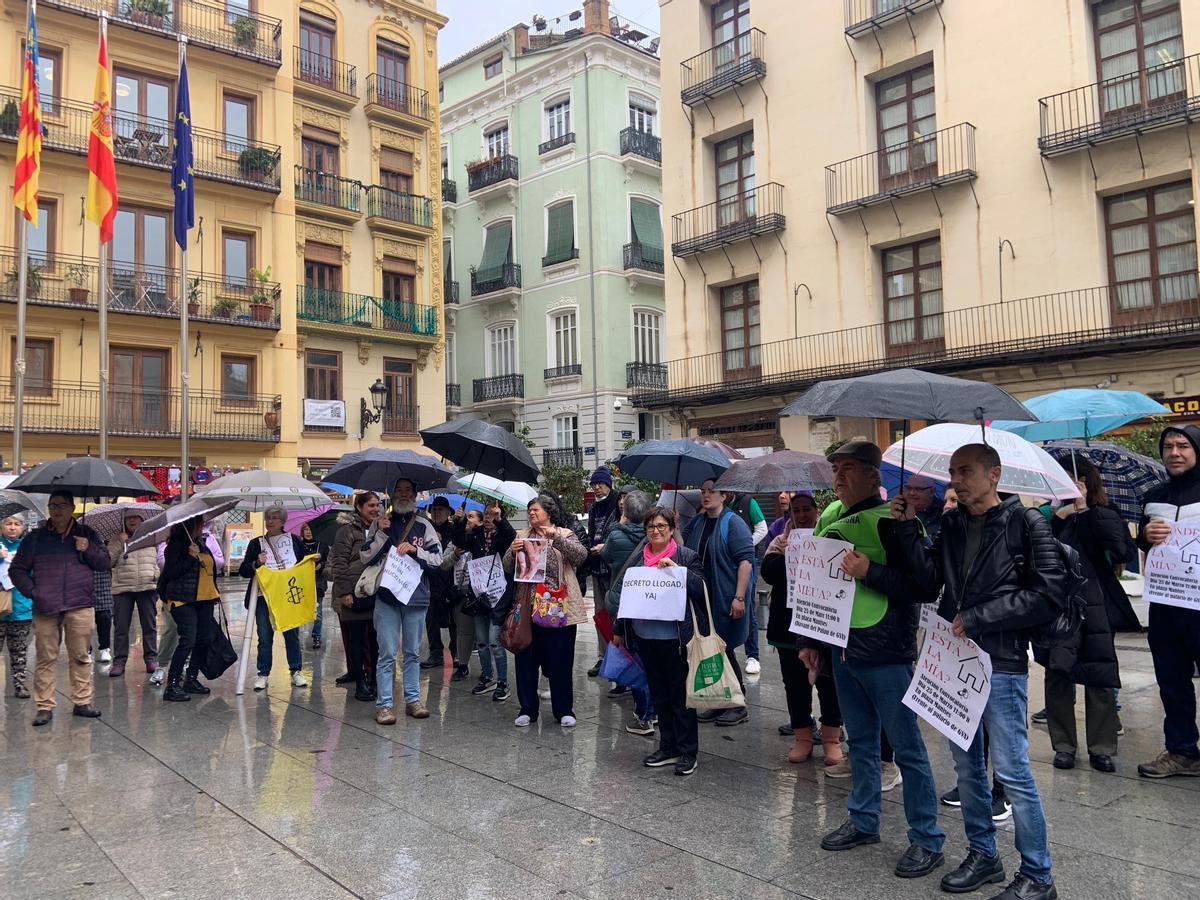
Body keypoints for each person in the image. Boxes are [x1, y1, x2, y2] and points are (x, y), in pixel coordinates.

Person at [896, 443, 1062, 899]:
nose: (956, 479)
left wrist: (982, 616)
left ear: (994, 474)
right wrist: (909, 530)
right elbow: (930, 582)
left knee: (1011, 770)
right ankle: (983, 855)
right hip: (955, 660)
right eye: (952, 472)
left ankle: (1038, 875)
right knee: (966, 767)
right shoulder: (950, 523)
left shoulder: (1027, 523)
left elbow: (1048, 593)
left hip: (1002, 663)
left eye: (965, 471)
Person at [803, 440, 945, 881]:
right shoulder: (831, 519)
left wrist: (871, 573)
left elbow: (924, 585)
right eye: (835, 469)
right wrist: (809, 638)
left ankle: (927, 838)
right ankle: (864, 819)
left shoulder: (898, 523)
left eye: (848, 468)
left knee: (906, 748)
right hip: (843, 647)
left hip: (886, 652)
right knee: (860, 742)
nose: (839, 477)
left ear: (873, 475)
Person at [1042, 457, 1131, 774]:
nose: (1068, 482)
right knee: (1058, 673)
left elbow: (1121, 552)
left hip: (1096, 604)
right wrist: (1061, 515)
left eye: (1073, 476)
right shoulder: (1048, 514)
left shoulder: (1106, 514)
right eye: (1061, 477)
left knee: (1100, 675)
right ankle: (1064, 745)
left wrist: (1085, 511)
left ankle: (1102, 747)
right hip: (1059, 605)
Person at [613, 505, 707, 776]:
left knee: (680, 696)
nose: (656, 531)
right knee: (659, 695)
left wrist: (679, 572)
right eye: (651, 527)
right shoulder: (639, 560)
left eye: (661, 527)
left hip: (676, 639)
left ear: (672, 529)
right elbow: (626, 597)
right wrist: (619, 628)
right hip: (646, 637)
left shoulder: (686, 556)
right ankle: (667, 746)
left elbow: (703, 589)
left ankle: (688, 751)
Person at [10, 490, 111, 726]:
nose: (57, 510)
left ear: (72, 507)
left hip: (80, 604)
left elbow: (105, 563)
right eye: (53, 505)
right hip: (46, 606)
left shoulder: (87, 534)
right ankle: (44, 706)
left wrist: (88, 548)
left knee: (80, 656)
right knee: (46, 658)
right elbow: (17, 570)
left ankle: (82, 702)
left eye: (62, 505)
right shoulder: (35, 538)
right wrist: (34, 592)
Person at [761, 492, 844, 767]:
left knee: (829, 683)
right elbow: (768, 573)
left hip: (822, 626)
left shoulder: (830, 536)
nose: (803, 514)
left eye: (807, 509)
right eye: (797, 510)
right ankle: (803, 737)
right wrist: (786, 554)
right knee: (795, 685)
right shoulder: (779, 541)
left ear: (816, 511)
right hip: (787, 628)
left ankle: (831, 738)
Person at [1137, 424, 1200, 779]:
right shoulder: (1154, 494)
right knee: (1172, 681)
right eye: (1169, 446)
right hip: (1165, 605)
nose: (1175, 452)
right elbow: (1143, 543)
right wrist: (1146, 535)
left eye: (1183, 446)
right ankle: (1182, 751)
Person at [361, 477, 444, 724]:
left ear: (416, 494)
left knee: (412, 652)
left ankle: (413, 700)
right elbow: (365, 556)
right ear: (392, 494)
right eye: (399, 491)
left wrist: (415, 550)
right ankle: (385, 705)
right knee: (386, 652)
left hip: (416, 598)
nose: (404, 494)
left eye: (408, 490)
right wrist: (380, 533)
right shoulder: (380, 523)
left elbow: (438, 560)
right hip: (387, 598)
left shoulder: (424, 525)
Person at [504, 492, 587, 727]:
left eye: (536, 510)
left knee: (560, 660)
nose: (531, 513)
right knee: (526, 660)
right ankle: (527, 709)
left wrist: (557, 539)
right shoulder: (521, 535)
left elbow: (581, 557)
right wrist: (512, 550)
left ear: (548, 513)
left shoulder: (565, 534)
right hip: (528, 607)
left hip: (558, 607)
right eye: (530, 510)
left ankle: (563, 710)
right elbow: (507, 566)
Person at [681, 479, 755, 726]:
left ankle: (737, 703)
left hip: (725, 597)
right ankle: (719, 700)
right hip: (703, 598)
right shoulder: (699, 521)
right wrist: (674, 525)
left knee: (726, 647)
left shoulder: (733, 523)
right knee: (712, 648)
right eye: (702, 491)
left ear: (725, 495)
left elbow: (745, 561)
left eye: (711, 491)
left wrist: (739, 597)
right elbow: (684, 549)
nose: (705, 495)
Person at [602, 489, 657, 733]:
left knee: (633, 658)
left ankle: (644, 712)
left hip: (625, 603)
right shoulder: (654, 537)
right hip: (651, 604)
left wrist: (620, 523)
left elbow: (606, 557)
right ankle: (654, 710)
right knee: (650, 658)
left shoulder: (616, 535)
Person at [240, 506, 309, 692]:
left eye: (275, 518)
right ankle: (263, 673)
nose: (270, 521)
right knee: (264, 636)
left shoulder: (294, 541)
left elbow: (302, 564)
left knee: (292, 635)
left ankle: (296, 670)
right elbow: (244, 570)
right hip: (264, 597)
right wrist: (256, 563)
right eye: (268, 518)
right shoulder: (256, 544)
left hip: (288, 595)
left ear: (283, 521)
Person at [454, 501, 516, 702]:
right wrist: (459, 520)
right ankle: (487, 676)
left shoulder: (504, 534)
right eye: (486, 513)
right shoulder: (476, 534)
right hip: (479, 593)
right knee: (481, 642)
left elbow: (511, 536)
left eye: (493, 514)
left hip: (499, 594)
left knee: (494, 641)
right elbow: (459, 540)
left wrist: (501, 519)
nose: (488, 517)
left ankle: (503, 682)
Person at [158, 518, 221, 702]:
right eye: (200, 524)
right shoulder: (176, 545)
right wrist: (189, 557)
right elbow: (170, 573)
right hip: (182, 600)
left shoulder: (201, 543)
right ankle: (173, 684)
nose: (203, 527)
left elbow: (209, 568)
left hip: (205, 599)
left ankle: (191, 678)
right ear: (190, 525)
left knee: (204, 639)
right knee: (188, 640)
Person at [328, 491, 381, 702]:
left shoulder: (381, 530)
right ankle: (360, 684)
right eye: (370, 505)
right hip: (353, 591)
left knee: (376, 641)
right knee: (357, 640)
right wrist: (344, 592)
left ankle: (376, 681)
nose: (375, 509)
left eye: (377, 505)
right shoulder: (347, 531)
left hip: (376, 590)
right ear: (359, 507)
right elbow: (338, 562)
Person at [107, 512, 160, 678]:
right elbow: (107, 561)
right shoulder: (117, 538)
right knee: (121, 627)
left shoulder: (151, 537)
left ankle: (151, 658)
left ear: (142, 520)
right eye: (129, 518)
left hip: (147, 586)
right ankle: (119, 661)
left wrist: (155, 574)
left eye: (136, 517)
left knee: (149, 626)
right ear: (124, 521)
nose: (132, 520)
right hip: (123, 587)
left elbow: (158, 558)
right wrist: (119, 544)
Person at [724, 490, 768, 675]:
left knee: (748, 608)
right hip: (726, 565)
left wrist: (745, 543)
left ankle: (753, 655)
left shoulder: (748, 502)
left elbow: (763, 528)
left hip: (745, 563)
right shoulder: (719, 506)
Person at [584, 467, 619, 677]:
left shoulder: (617, 504)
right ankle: (603, 656)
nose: (596, 488)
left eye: (600, 484)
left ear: (609, 484)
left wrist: (606, 548)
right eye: (594, 484)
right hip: (597, 568)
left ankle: (619, 656)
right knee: (600, 614)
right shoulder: (593, 508)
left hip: (613, 568)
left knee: (615, 614)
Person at [421, 495, 460, 673]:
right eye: (434, 510)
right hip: (430, 582)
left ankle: (456, 653)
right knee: (431, 621)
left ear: (448, 512)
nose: (437, 513)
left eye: (440, 510)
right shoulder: (425, 529)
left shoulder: (454, 529)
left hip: (450, 582)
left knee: (454, 622)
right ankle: (435, 652)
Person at [0, 515, 33, 698]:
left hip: (21, 607)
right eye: (8, 523)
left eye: (17, 524)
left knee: (19, 649)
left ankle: (20, 684)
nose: (12, 527)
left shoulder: (27, 548)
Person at [299, 522, 329, 650]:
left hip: (318, 582)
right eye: (306, 529)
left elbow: (329, 561)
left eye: (311, 529)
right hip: (302, 582)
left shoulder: (322, 545)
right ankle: (297, 635)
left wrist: (321, 565)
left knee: (318, 611)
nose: (308, 532)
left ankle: (317, 635)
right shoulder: (299, 545)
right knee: (300, 609)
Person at [901, 475, 943, 542]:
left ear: (932, 491)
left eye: (918, 489)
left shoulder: (943, 515)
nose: (911, 493)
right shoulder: (896, 509)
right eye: (908, 488)